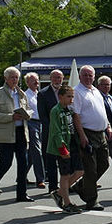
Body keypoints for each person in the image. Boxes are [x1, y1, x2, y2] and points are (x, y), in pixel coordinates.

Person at [0, 66, 34, 203]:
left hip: (21, 131)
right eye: (12, 77)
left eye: (16, 77)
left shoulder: (21, 93)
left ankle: (22, 194)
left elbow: (28, 109)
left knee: (23, 163)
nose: (15, 80)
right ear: (6, 78)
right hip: (6, 133)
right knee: (6, 162)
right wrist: (11, 117)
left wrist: (26, 114)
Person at [72, 65, 112, 211]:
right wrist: (82, 135)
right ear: (80, 76)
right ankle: (91, 200)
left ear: (94, 76)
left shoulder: (96, 91)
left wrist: (108, 126)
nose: (88, 77)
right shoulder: (77, 92)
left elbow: (102, 111)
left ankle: (81, 186)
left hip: (101, 132)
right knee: (90, 169)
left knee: (104, 164)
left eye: (91, 75)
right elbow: (75, 115)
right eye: (85, 75)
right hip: (87, 132)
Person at [46, 84, 83, 213]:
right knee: (65, 174)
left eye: (72, 96)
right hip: (63, 145)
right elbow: (56, 131)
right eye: (68, 96)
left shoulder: (69, 110)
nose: (71, 99)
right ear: (60, 96)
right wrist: (62, 149)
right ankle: (67, 202)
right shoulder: (55, 111)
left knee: (80, 171)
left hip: (72, 142)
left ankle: (60, 193)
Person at [37, 69, 64, 189]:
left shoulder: (67, 91)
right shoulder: (43, 93)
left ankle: (65, 185)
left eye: (59, 77)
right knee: (51, 161)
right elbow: (43, 116)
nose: (57, 80)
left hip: (65, 132)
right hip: (51, 133)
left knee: (65, 160)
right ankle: (53, 187)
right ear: (50, 79)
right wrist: (54, 130)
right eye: (55, 77)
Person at [22, 72, 46, 190]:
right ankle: (40, 179)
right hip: (31, 123)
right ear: (27, 82)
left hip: (41, 123)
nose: (36, 82)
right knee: (37, 151)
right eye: (33, 80)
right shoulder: (25, 95)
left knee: (32, 154)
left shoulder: (39, 94)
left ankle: (21, 175)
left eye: (37, 80)